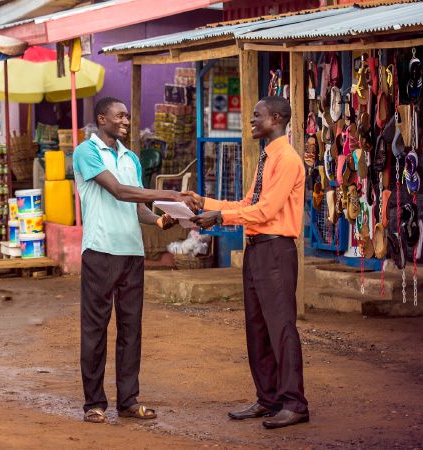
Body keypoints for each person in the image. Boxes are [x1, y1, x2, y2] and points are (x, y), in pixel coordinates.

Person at [73, 97, 200, 424]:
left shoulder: (130, 157)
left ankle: (128, 401)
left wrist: (161, 220)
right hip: (100, 252)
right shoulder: (86, 152)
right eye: (120, 116)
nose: (126, 121)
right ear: (102, 119)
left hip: (131, 254)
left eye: (127, 116)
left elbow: (136, 206)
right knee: (95, 330)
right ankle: (94, 404)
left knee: (132, 330)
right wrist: (169, 194)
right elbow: (118, 191)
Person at [190, 95, 308, 429]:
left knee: (281, 328)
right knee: (257, 328)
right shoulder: (267, 158)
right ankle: (268, 399)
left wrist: (219, 216)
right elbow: (249, 203)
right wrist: (205, 203)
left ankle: (295, 403)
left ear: (277, 118)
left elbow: (266, 211)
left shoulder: (286, 159)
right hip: (257, 249)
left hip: (275, 249)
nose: (251, 121)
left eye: (257, 116)